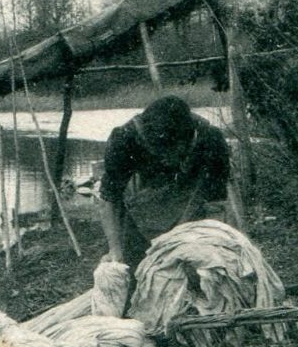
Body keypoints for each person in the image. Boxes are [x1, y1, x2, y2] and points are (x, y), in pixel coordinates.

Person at [98, 94, 248, 269]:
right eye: (159, 152)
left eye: (172, 151)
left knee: (207, 263)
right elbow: (109, 200)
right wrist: (115, 250)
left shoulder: (211, 139)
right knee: (132, 266)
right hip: (141, 198)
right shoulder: (124, 139)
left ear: (188, 139)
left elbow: (216, 203)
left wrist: (214, 243)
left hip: (192, 193)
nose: (165, 159)